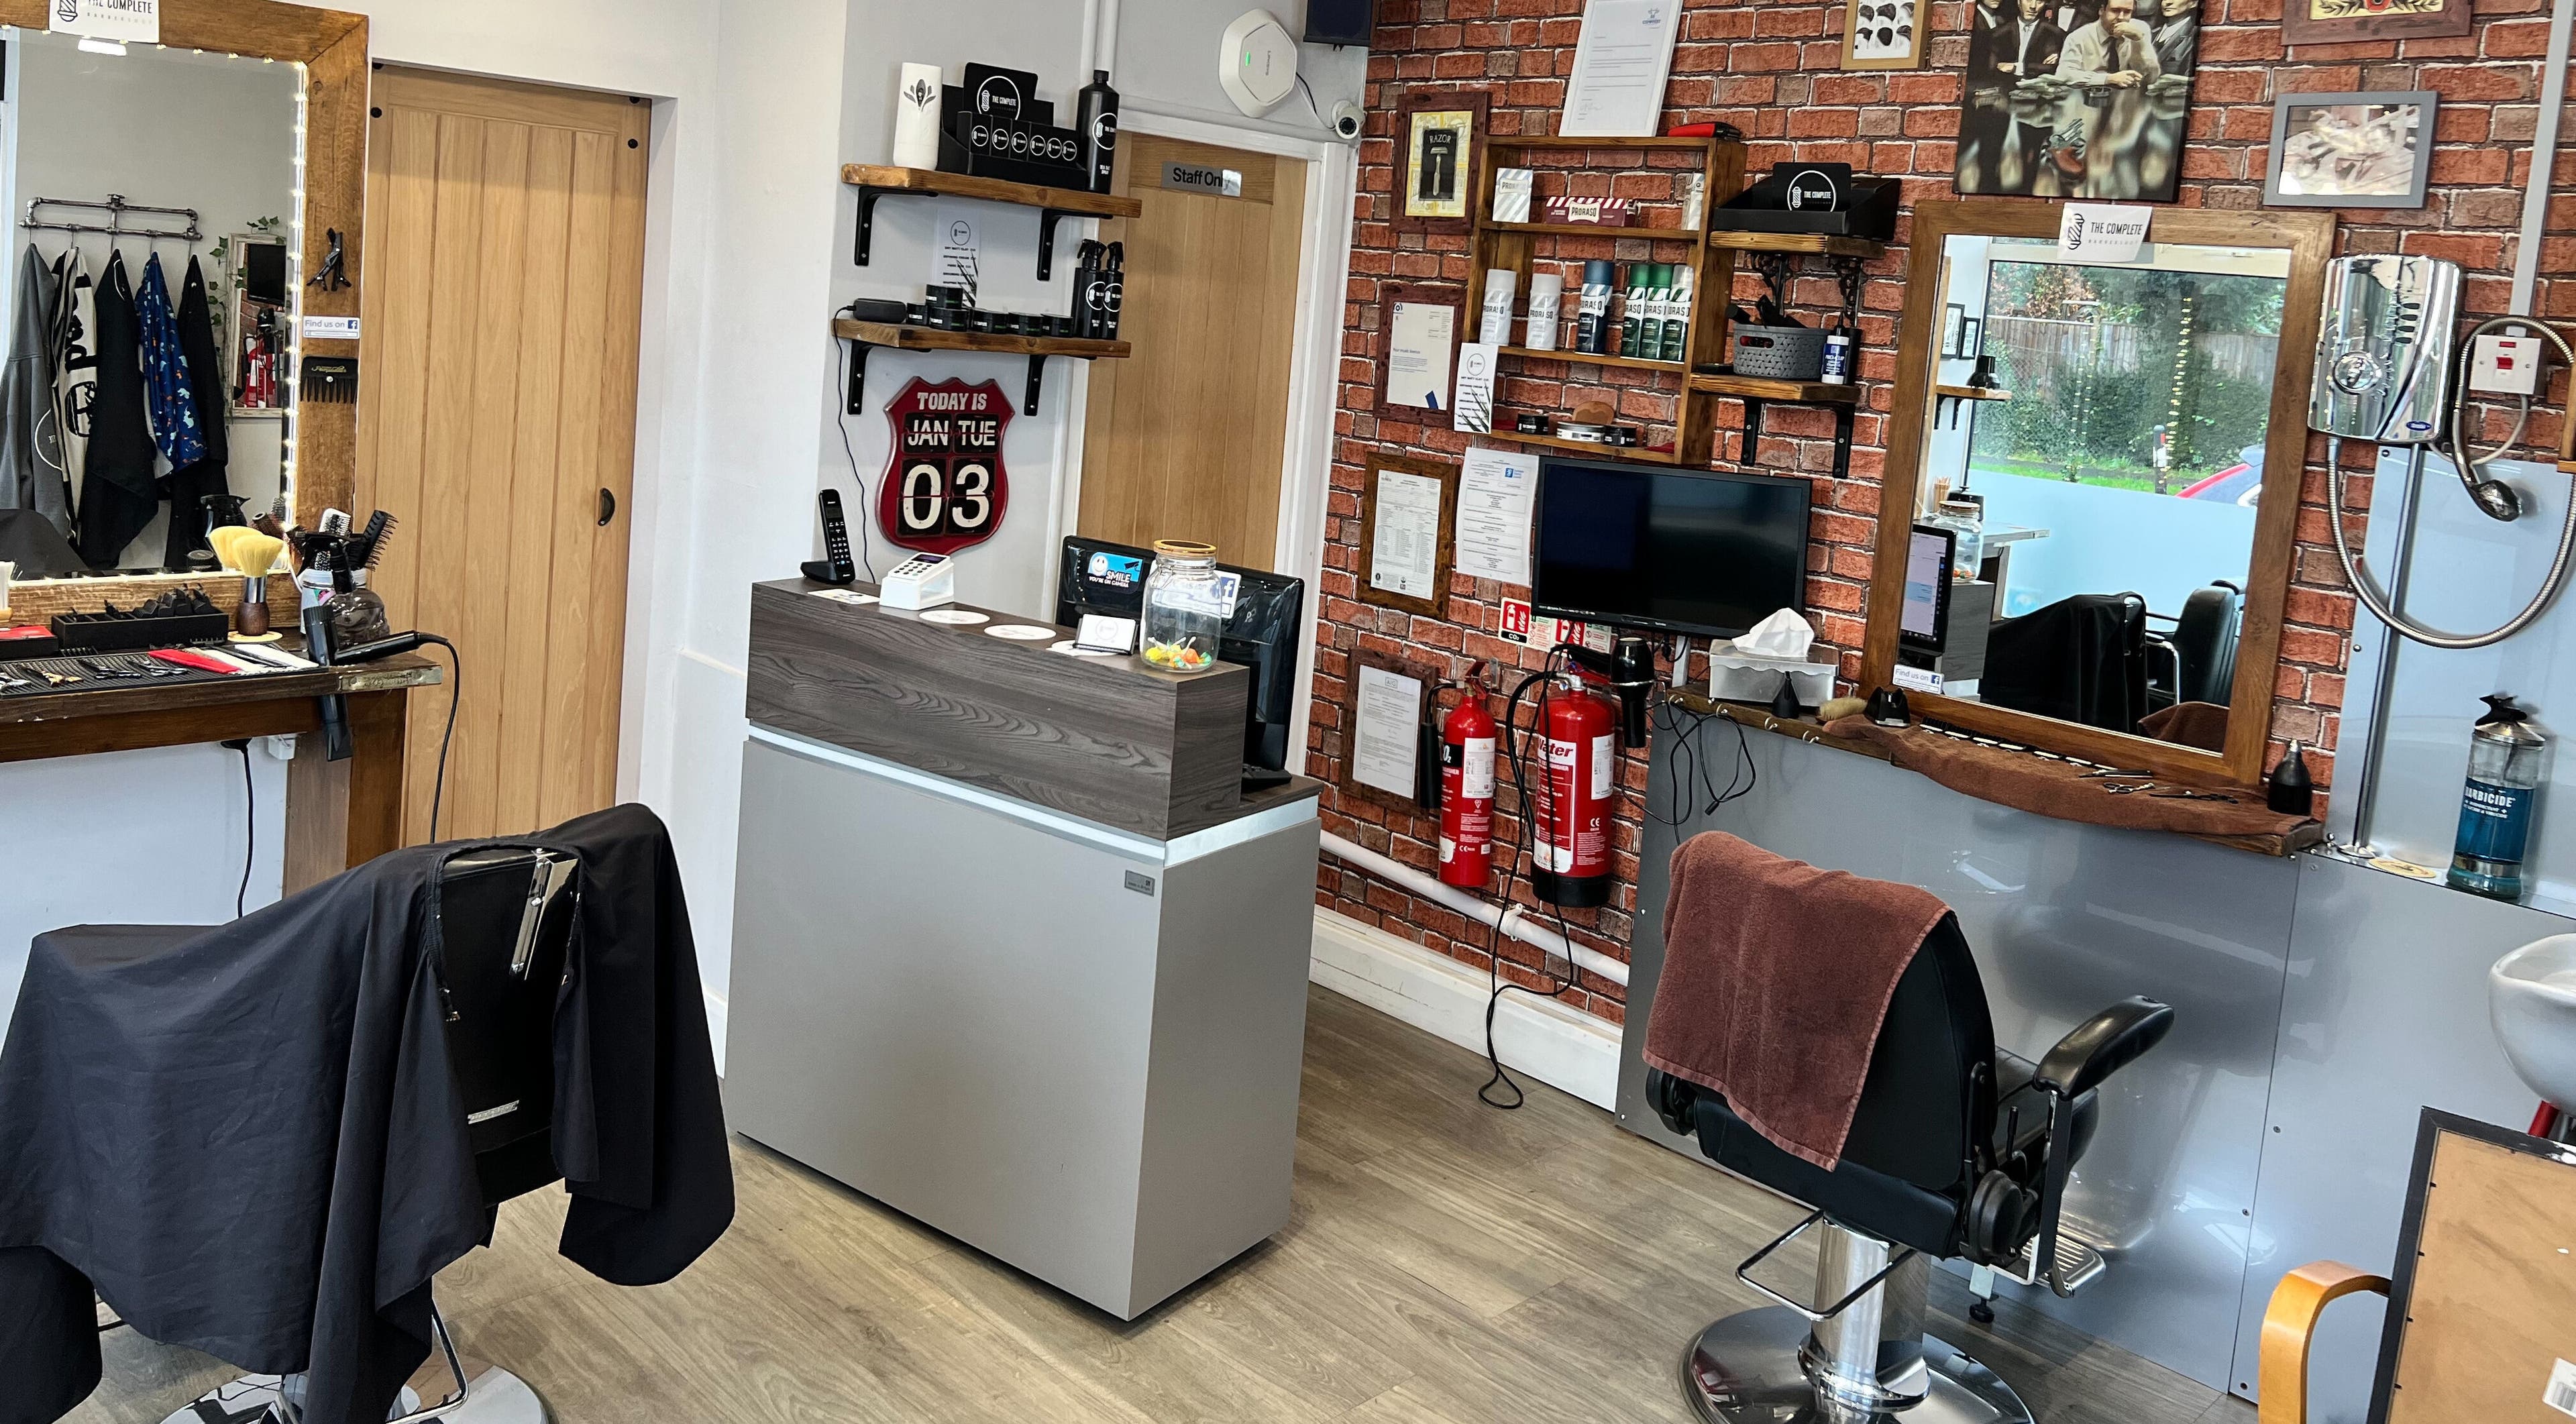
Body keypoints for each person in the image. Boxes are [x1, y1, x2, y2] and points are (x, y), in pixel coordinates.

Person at [2056, 0, 2163, 198]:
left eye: (2127, 12)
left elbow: (2151, 77)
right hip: (2084, 101)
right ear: (2101, 10)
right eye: (2115, 11)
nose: (2122, 17)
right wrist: (2108, 78)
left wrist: (2140, 42)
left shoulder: (2139, 30)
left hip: (2126, 99)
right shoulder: (2080, 37)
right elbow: (2064, 74)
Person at [1964, 0, 2067, 194]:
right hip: (2002, 101)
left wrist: (2017, 67)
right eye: (2028, 0)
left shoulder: (2055, 33)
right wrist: (2037, 66)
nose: (2034, 6)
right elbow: (1993, 69)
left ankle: (2027, 186)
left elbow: (2054, 70)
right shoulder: (1999, 33)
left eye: (2040, 1)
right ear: (2019, 2)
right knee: (1991, 149)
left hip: (2038, 104)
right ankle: (1988, 184)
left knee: (2032, 154)